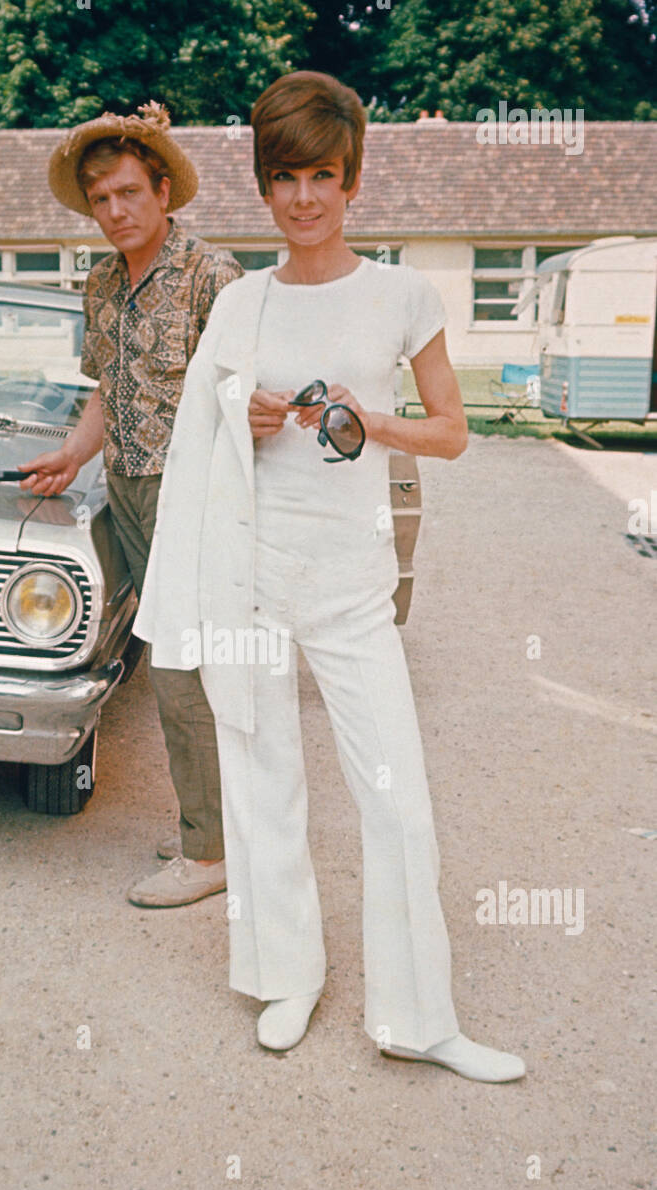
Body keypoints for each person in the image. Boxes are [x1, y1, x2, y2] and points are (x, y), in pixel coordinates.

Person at [132, 72, 525, 1083]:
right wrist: (244, 415)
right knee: (264, 785)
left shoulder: (401, 292)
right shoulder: (241, 299)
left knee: (394, 797)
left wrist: (368, 418)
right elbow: (201, 433)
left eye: (321, 174)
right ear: (264, 188)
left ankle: (418, 1016)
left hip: (352, 587)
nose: (303, 196)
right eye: (284, 177)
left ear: (351, 180)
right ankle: (285, 976)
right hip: (253, 580)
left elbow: (451, 433)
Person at [20, 101, 243, 908]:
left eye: (126, 193)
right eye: (99, 198)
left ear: (162, 192)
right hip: (128, 491)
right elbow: (103, 394)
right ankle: (216, 825)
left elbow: (253, 404)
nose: (112, 211)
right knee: (172, 665)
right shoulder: (104, 281)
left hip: (199, 497)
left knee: (187, 673)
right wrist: (71, 454)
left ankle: (213, 851)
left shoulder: (215, 277)